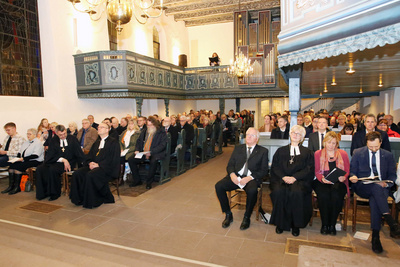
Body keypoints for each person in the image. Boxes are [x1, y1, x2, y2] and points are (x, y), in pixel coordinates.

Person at [349, 131, 400, 253]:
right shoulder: (358, 153)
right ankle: (389, 219)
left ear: (381, 143)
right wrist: (353, 177)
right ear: (366, 143)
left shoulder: (387, 155)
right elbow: (352, 171)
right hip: (363, 186)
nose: (373, 149)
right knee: (376, 189)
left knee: (375, 197)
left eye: (376, 147)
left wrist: (386, 183)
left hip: (381, 188)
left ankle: (376, 237)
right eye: (370, 147)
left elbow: (393, 176)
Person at [215, 128, 269, 230]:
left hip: (251, 178)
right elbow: (230, 165)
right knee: (219, 186)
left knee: (253, 190)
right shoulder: (238, 148)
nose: (248, 136)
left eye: (251, 135)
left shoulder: (263, 151)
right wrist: (232, 175)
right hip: (236, 177)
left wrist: (249, 178)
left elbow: (264, 171)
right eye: (247, 134)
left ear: (257, 139)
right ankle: (228, 214)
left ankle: (246, 217)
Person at [270, 125, 314, 236]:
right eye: (293, 132)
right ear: (290, 134)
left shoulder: (307, 152)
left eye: (298, 134)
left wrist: (295, 177)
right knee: (279, 192)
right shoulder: (281, 151)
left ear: (302, 137)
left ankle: (295, 224)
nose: (295, 135)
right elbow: (275, 167)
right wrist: (283, 177)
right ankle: (280, 223)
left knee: (296, 192)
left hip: (299, 180)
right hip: (282, 179)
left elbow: (309, 168)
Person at [70, 123, 120, 209]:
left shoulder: (113, 142)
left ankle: (93, 201)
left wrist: (99, 165)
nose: (99, 128)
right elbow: (90, 156)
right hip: (94, 166)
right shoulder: (97, 143)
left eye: (102, 127)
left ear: (108, 130)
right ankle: (79, 199)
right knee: (77, 173)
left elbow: (113, 159)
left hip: (106, 168)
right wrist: (90, 163)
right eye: (99, 127)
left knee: (91, 175)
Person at [35, 125, 85, 201]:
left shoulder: (72, 139)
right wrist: (62, 160)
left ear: (65, 131)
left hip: (69, 162)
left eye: (64, 134)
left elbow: (78, 153)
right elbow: (51, 155)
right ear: (57, 134)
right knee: (40, 169)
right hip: (55, 160)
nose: (63, 136)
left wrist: (82, 164)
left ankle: (54, 193)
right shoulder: (53, 140)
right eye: (60, 135)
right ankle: (42, 193)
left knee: (52, 169)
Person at [314, 131, 350, 235]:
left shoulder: (342, 154)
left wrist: (344, 177)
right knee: (324, 196)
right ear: (324, 142)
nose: (331, 145)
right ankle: (325, 224)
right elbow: (316, 171)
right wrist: (322, 178)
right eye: (329, 143)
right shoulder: (318, 154)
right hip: (322, 181)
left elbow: (347, 170)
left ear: (337, 144)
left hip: (338, 182)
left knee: (336, 195)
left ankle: (332, 224)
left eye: (334, 143)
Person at [128, 116, 167, 189]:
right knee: (131, 159)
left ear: (155, 124)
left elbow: (162, 145)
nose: (149, 127)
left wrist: (151, 152)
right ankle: (137, 180)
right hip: (144, 152)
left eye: (150, 125)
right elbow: (139, 141)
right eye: (147, 125)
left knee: (153, 161)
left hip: (155, 153)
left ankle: (149, 182)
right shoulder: (144, 131)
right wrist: (137, 150)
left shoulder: (161, 132)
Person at [1, 128, 44, 195]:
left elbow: (35, 155)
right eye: (27, 134)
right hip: (25, 159)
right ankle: (11, 186)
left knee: (18, 167)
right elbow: (20, 152)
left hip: (35, 161)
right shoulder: (26, 142)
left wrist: (22, 159)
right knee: (11, 166)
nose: (28, 135)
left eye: (30, 134)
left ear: (34, 135)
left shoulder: (38, 143)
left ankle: (17, 187)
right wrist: (17, 158)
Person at [119, 119, 141, 185]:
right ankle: (120, 175)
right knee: (117, 157)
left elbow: (136, 144)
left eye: (132, 124)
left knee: (126, 157)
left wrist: (128, 150)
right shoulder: (125, 132)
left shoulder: (137, 133)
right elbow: (120, 142)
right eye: (129, 124)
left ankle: (124, 175)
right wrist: (121, 148)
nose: (130, 125)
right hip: (124, 150)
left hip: (132, 150)